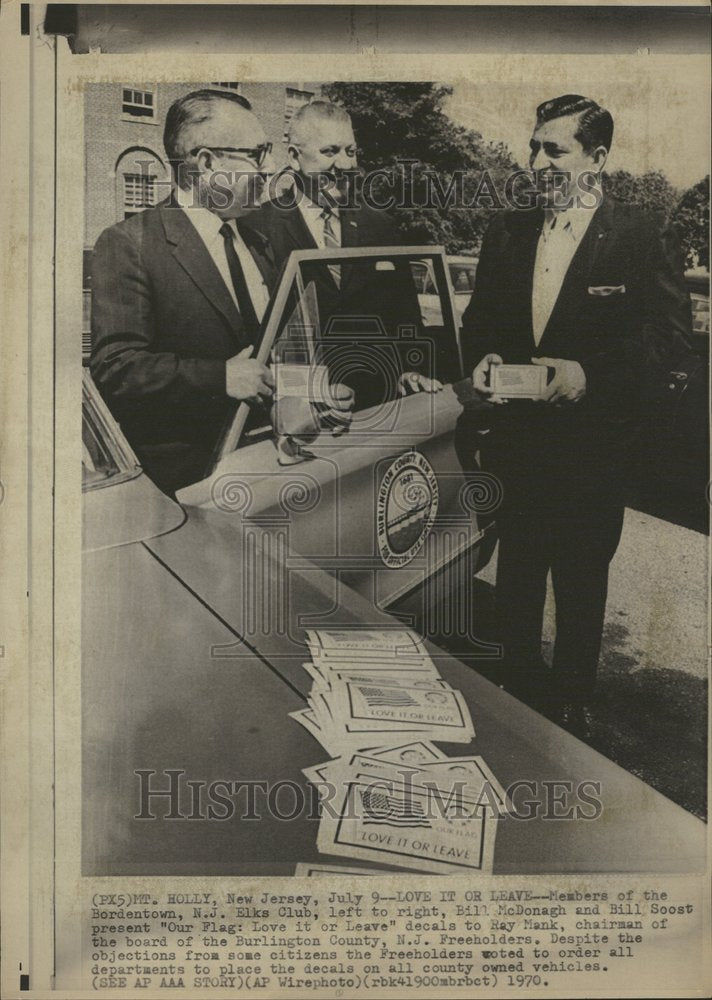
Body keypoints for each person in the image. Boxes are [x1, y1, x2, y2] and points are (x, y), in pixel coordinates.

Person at [461, 94, 691, 737]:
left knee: (583, 577)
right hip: (518, 443)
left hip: (595, 450)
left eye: (554, 150)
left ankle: (570, 705)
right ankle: (513, 698)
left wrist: (590, 376)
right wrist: (480, 364)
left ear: (597, 158)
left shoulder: (642, 234)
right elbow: (480, 323)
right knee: (518, 574)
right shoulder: (506, 230)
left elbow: (671, 344)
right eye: (533, 146)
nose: (536, 161)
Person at [90, 88, 352, 495]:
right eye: (257, 153)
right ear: (207, 162)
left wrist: (314, 395)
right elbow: (117, 369)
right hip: (192, 485)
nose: (269, 169)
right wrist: (220, 377)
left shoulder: (261, 239)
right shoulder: (130, 244)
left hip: (273, 466)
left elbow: (275, 349)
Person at [252, 100, 442, 411]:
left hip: (378, 404)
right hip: (296, 410)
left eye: (350, 152)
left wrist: (412, 369)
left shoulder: (380, 225)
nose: (345, 165)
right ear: (295, 157)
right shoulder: (258, 227)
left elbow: (405, 314)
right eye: (330, 151)